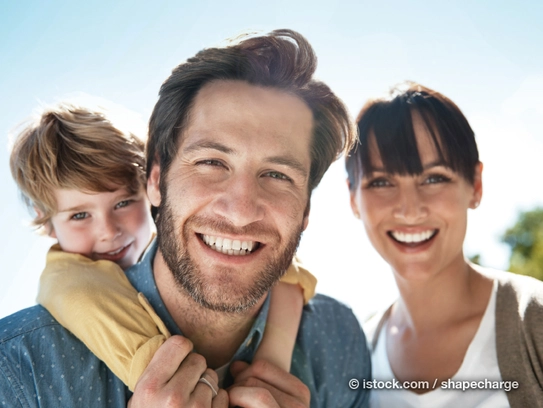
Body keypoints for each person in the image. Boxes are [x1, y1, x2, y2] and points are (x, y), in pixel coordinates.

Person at [0, 29, 371, 407]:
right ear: (156, 181)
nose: (240, 212)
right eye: (211, 162)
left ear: (306, 210)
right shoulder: (18, 368)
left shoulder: (338, 340)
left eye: (277, 175)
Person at [7, 100, 316, 393]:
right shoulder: (67, 282)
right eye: (80, 215)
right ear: (46, 222)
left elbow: (289, 271)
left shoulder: (183, 251)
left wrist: (274, 360)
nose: (108, 231)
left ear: (154, 189)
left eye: (124, 202)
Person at [345, 81, 543, 408]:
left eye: (434, 178)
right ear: (353, 199)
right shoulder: (356, 356)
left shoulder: (534, 320)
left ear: (475, 186)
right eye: (381, 182)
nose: (409, 209)